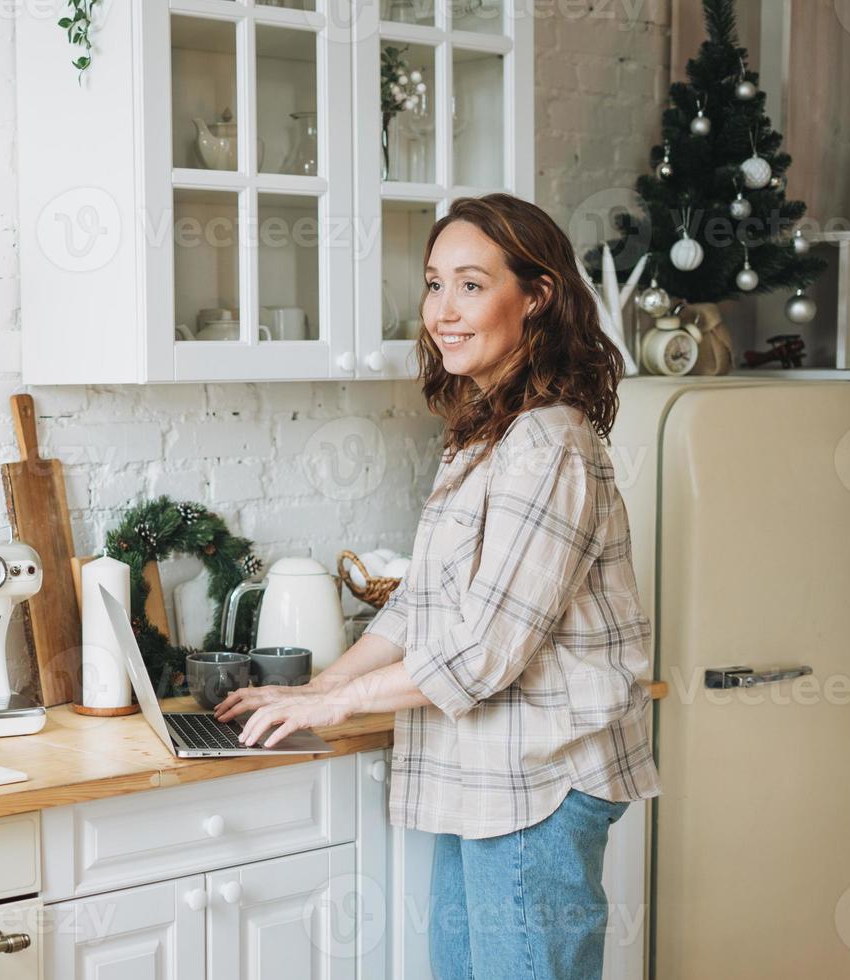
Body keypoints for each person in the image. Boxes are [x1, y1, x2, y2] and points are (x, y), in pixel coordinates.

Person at [215, 193, 661, 979]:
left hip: (540, 783)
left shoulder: (549, 443)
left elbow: (484, 650)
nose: (442, 312)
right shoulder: (485, 434)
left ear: (537, 297)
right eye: (433, 284)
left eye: (471, 285)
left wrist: (335, 705)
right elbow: (423, 607)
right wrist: (318, 687)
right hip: (487, 777)